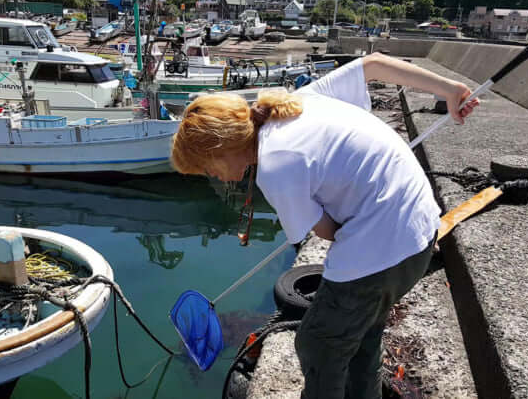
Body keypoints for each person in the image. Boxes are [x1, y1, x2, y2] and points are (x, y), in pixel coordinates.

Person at [170, 52, 478, 399]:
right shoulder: (298, 101)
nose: (214, 177)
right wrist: (450, 89)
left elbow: (328, 231)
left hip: (387, 245)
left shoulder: (275, 166)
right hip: (421, 228)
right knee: (363, 334)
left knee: (319, 344)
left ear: (220, 147)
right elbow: (373, 64)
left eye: (207, 168)